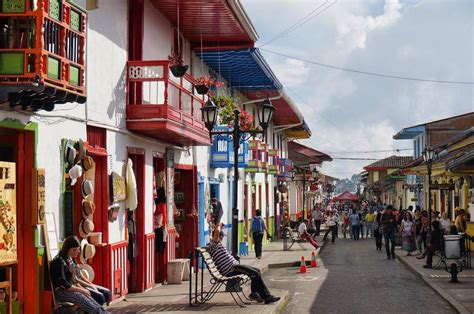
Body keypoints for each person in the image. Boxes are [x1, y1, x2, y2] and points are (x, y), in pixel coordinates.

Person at [208, 225, 280, 304]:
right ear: (218, 236)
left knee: (257, 271)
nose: (221, 239)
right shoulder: (213, 244)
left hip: (234, 267)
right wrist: (219, 224)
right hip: (231, 269)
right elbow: (217, 231)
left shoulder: (217, 245)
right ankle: (267, 297)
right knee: (255, 273)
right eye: (221, 237)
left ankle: (254, 293)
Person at [49, 236, 106, 313]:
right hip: (62, 292)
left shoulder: (69, 259)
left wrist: (82, 288)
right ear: (67, 249)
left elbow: (73, 280)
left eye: (78, 249)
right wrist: (81, 290)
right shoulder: (59, 261)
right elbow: (64, 284)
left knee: (92, 301)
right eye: (74, 250)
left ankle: (103, 312)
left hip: (71, 289)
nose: (78, 251)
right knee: (84, 299)